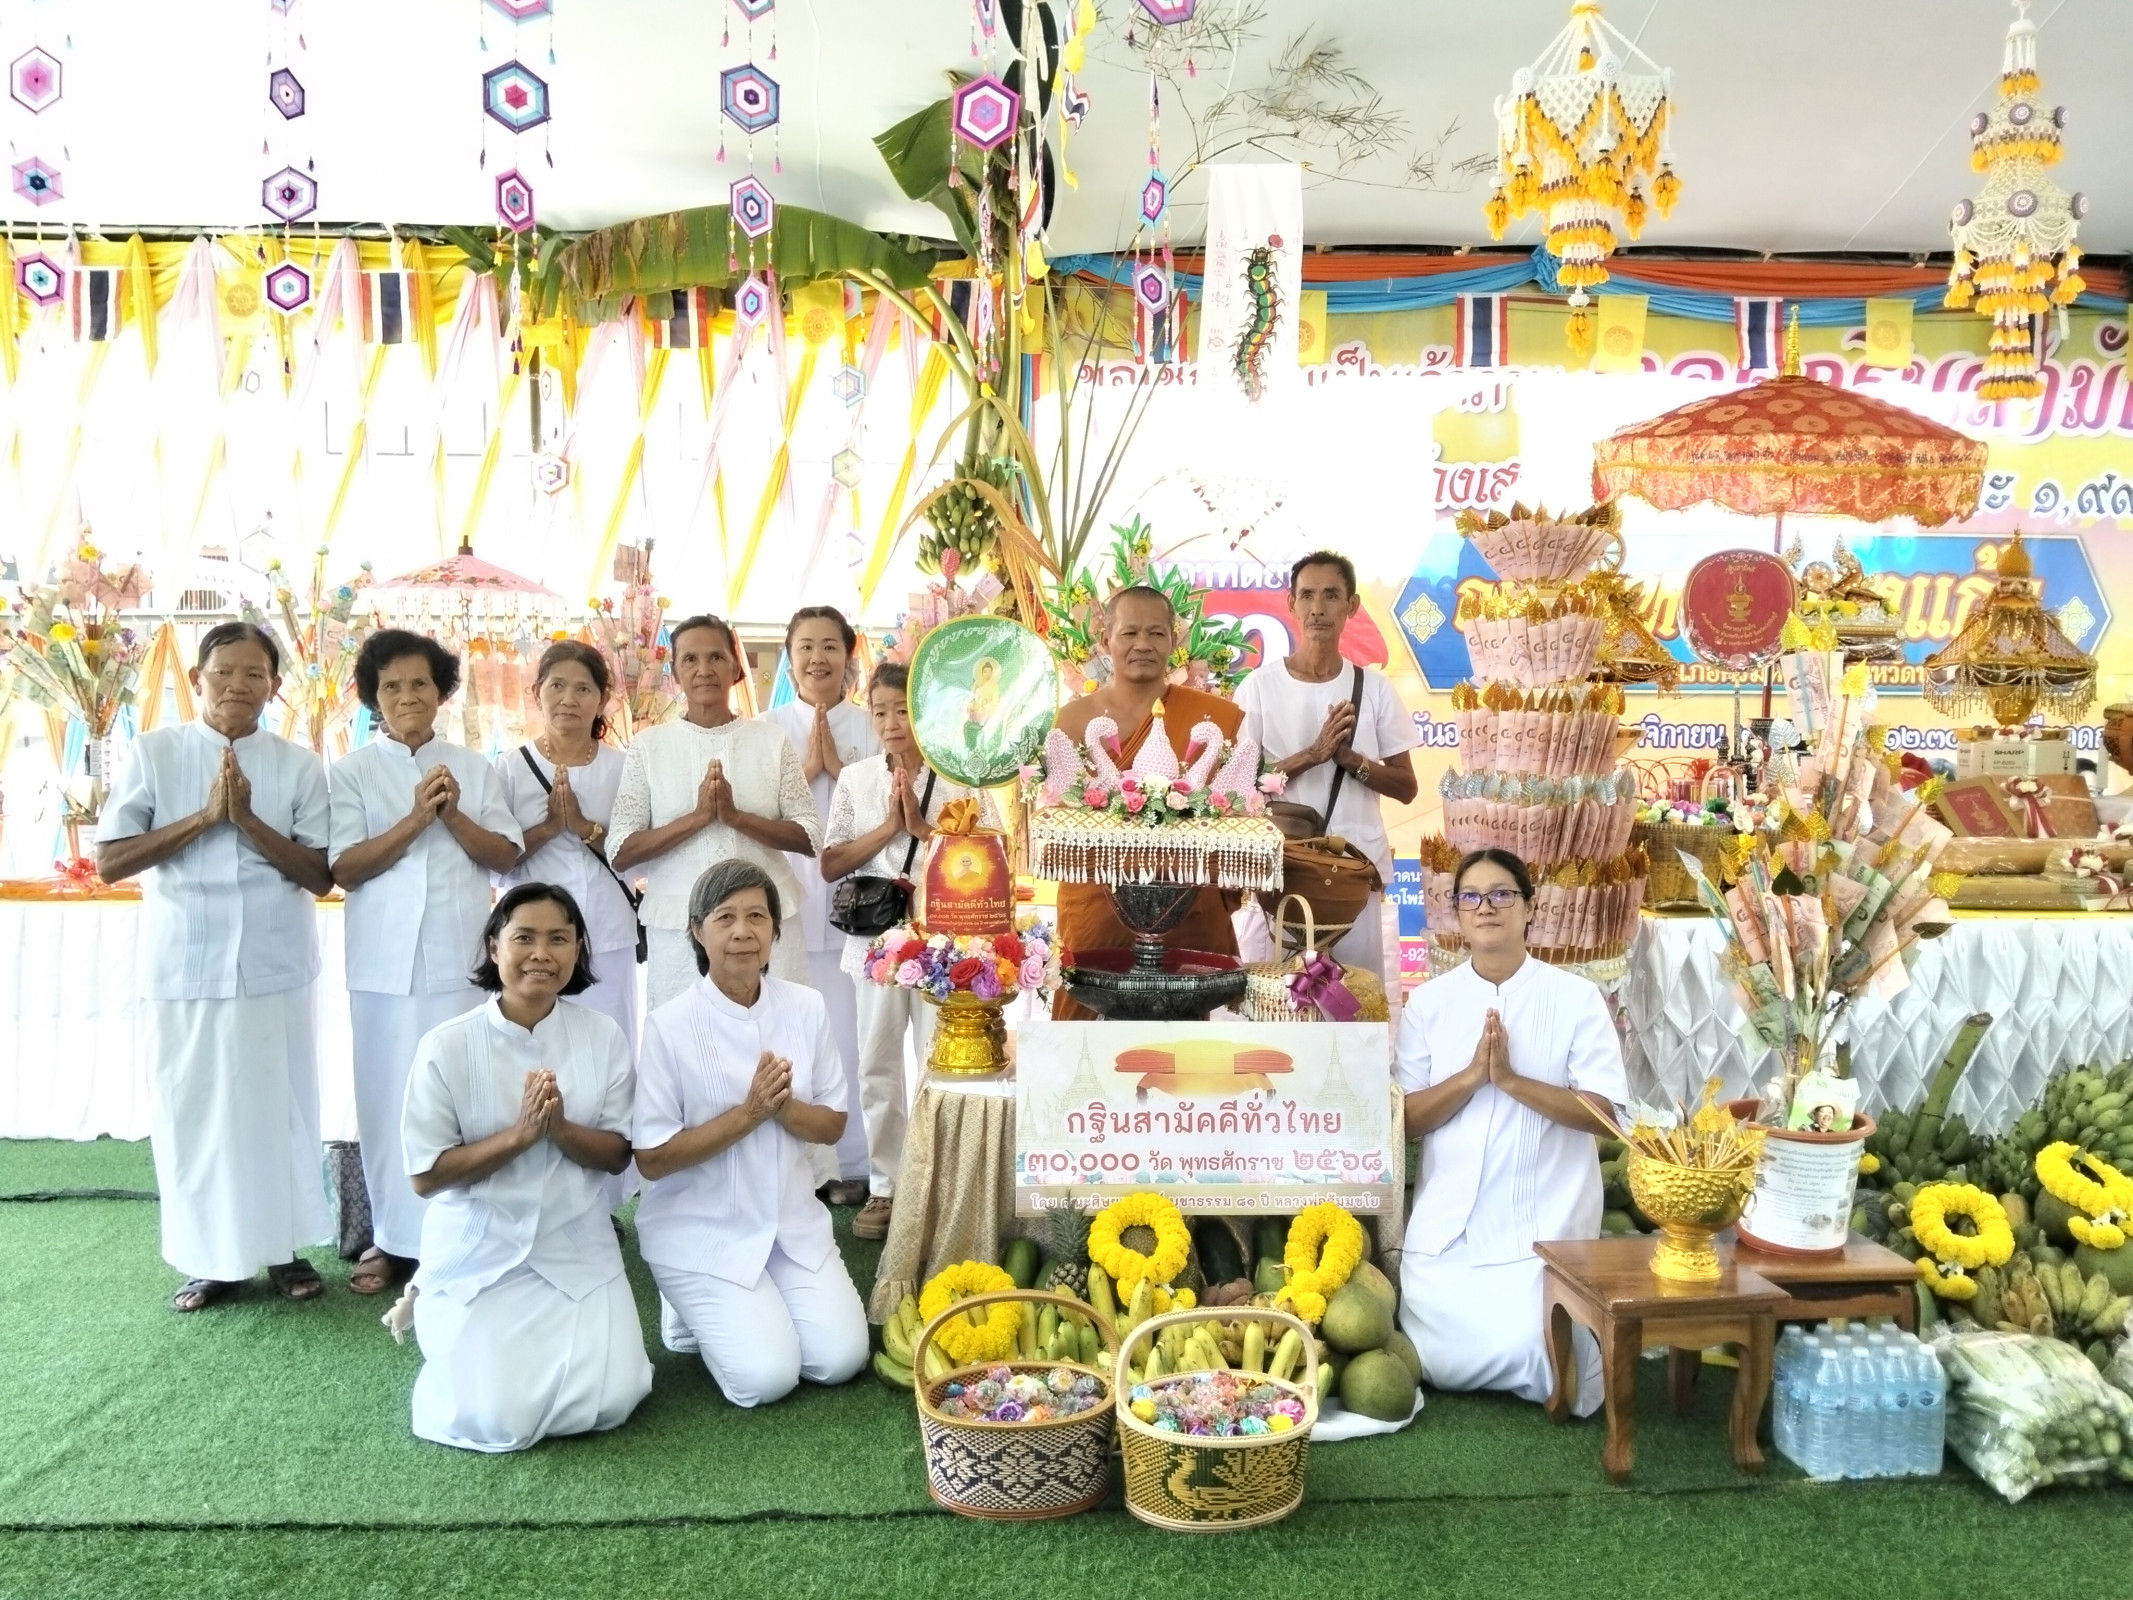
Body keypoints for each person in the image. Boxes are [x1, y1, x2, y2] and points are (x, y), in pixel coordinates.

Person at [95, 623, 336, 1311]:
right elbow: (110, 861)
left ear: (274, 686)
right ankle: (212, 1260)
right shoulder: (155, 752)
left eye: (254, 673)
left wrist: (248, 821)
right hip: (186, 965)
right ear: (197, 679)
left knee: (279, 1110)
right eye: (224, 671)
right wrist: (205, 818)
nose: (238, 685)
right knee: (194, 1114)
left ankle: (284, 1250)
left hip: (273, 964)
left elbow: (321, 874)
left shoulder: (298, 765)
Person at [398, 884, 651, 1452]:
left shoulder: (602, 1035)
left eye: (559, 939)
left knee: (613, 1399)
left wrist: (560, 1130)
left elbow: (618, 1155)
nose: (542, 953)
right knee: (495, 1417)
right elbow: (426, 1176)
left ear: (578, 950)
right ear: (494, 948)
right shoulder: (446, 1046)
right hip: (482, 1249)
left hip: (574, 1243)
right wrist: (518, 1137)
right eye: (524, 938)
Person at [1395, 848, 1627, 1417]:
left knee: (1531, 1344)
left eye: (1502, 894)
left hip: (1540, 1224)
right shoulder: (1428, 1002)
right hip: (1449, 1227)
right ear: (1456, 912)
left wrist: (1513, 1082)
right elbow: (1406, 1121)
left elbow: (1605, 1113)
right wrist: (1472, 1078)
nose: (1486, 907)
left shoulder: (1576, 999)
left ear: (1531, 908)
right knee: (1427, 1352)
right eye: (1471, 897)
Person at [633, 860, 869, 1407]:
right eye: (726, 917)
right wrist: (750, 1113)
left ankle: (756, 1306)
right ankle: (689, 1309)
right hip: (703, 1228)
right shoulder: (669, 1025)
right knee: (766, 1379)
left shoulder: (805, 1006)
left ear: (775, 930)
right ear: (697, 931)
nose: (743, 931)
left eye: (757, 917)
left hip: (789, 1223)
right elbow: (652, 1157)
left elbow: (832, 1123)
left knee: (840, 1360)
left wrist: (782, 1110)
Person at [330, 630, 523, 1298]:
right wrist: (417, 818)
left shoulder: (472, 766)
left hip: (457, 958)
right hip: (382, 966)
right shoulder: (350, 772)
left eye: (420, 683)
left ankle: (463, 1235)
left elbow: (505, 855)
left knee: (461, 1095)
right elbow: (343, 868)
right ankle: (392, 1238)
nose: (407, 696)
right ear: (373, 698)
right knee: (387, 1098)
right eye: (392, 686)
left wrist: (453, 815)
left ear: (442, 693)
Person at [820, 662, 996, 1241]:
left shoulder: (962, 778)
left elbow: (991, 858)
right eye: (880, 712)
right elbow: (830, 863)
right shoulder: (856, 779)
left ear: (926, 714)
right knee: (876, 1065)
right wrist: (888, 830)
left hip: (946, 947)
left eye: (903, 710)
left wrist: (923, 829)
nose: (891, 722)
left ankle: (938, 1187)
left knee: (938, 1063)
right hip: (875, 945)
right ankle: (887, 1186)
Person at [609, 615, 821, 1013]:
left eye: (715, 657)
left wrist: (737, 818)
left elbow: (811, 836)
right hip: (679, 927)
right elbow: (620, 850)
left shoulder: (770, 740)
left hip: (764, 925)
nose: (703, 669)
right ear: (674, 672)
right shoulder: (649, 747)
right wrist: (697, 818)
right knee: (686, 1036)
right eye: (690, 659)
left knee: (779, 1030)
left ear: (735, 666)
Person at [1050, 585, 1243, 1020]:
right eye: (1129, 633)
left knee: (1182, 1035)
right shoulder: (1073, 719)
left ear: (1174, 641)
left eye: (1156, 633)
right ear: (1106, 640)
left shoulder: (1213, 717)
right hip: (1098, 903)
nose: (1143, 644)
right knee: (1086, 1026)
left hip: (1185, 900)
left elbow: (1232, 812)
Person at [1237, 551, 1419, 984]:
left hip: (1354, 873)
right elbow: (1236, 790)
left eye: (1331, 595)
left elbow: (1407, 786)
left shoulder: (1374, 689)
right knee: (1278, 1002)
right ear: (1291, 604)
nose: (1318, 608)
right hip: (1284, 870)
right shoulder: (1259, 687)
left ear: (1352, 605)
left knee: (1355, 998)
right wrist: (1312, 755)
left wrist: (1352, 761)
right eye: (1308, 595)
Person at [763, 606, 878, 1205]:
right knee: (791, 1037)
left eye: (829, 645)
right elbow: (753, 815)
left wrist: (843, 771)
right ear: (789, 659)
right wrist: (809, 770)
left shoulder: (873, 725)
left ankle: (855, 1163)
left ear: (848, 656)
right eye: (805, 646)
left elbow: (891, 807)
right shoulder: (766, 730)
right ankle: (798, 1168)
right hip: (787, 903)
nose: (817, 658)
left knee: (855, 1040)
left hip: (863, 909)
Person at [493, 641, 641, 1054]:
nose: (568, 699)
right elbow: (495, 862)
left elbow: (638, 856)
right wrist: (548, 828)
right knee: (533, 1046)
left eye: (582, 689)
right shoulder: (510, 767)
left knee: (609, 1045)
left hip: (607, 933)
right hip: (531, 939)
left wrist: (583, 827)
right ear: (537, 693)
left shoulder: (624, 767)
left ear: (602, 699)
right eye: (557, 686)